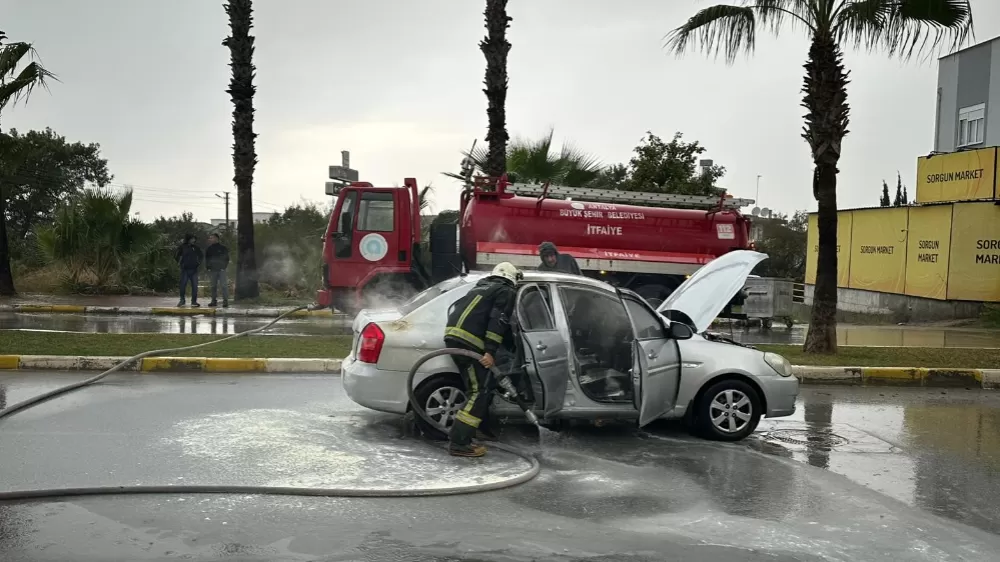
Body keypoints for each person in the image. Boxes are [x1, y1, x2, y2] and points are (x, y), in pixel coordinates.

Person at [443, 262, 522, 457]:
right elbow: (498, 321)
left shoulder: (481, 287)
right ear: (512, 278)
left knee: (478, 388)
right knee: (480, 391)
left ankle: (475, 430)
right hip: (469, 344)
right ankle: (459, 443)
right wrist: (490, 352)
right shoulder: (505, 291)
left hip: (455, 337)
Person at [174, 234, 203, 307]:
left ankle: (194, 301)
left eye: (194, 239)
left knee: (195, 286)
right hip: (185, 270)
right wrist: (180, 263)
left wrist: (198, 263)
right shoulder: (182, 247)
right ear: (188, 239)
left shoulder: (196, 248)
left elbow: (201, 256)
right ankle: (182, 300)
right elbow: (176, 255)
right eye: (192, 239)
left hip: (194, 269)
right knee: (183, 285)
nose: (194, 240)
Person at [205, 233, 230, 308]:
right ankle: (213, 301)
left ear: (216, 238)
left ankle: (225, 301)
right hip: (213, 270)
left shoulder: (223, 248)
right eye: (210, 238)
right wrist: (208, 268)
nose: (210, 239)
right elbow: (207, 259)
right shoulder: (209, 249)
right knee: (213, 286)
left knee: (224, 286)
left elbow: (227, 258)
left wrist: (224, 267)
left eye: (212, 238)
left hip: (221, 270)